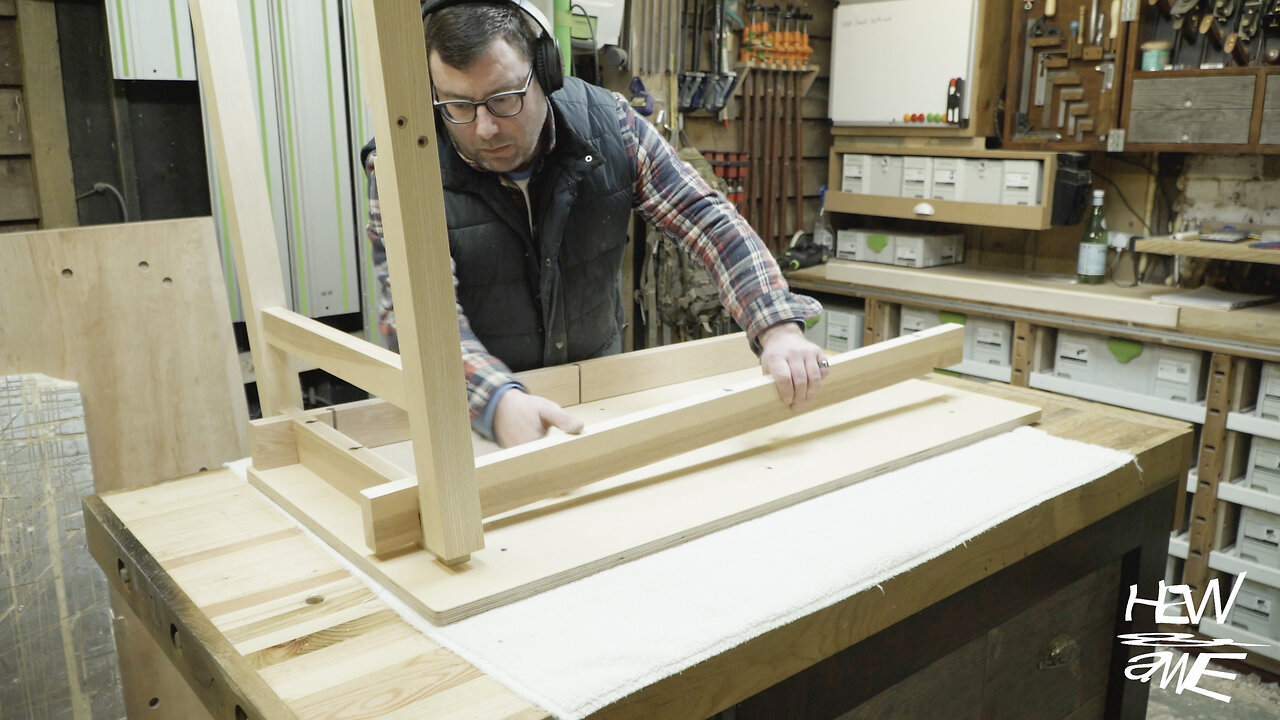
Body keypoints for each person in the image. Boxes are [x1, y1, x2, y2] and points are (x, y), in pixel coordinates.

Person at [363, 0, 828, 448]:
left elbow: (706, 218)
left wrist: (776, 325)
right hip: (470, 412)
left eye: (504, 98)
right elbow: (412, 312)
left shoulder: (612, 125)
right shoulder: (405, 163)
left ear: (545, 71)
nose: (484, 128)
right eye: (458, 106)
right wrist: (497, 401)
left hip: (598, 400)